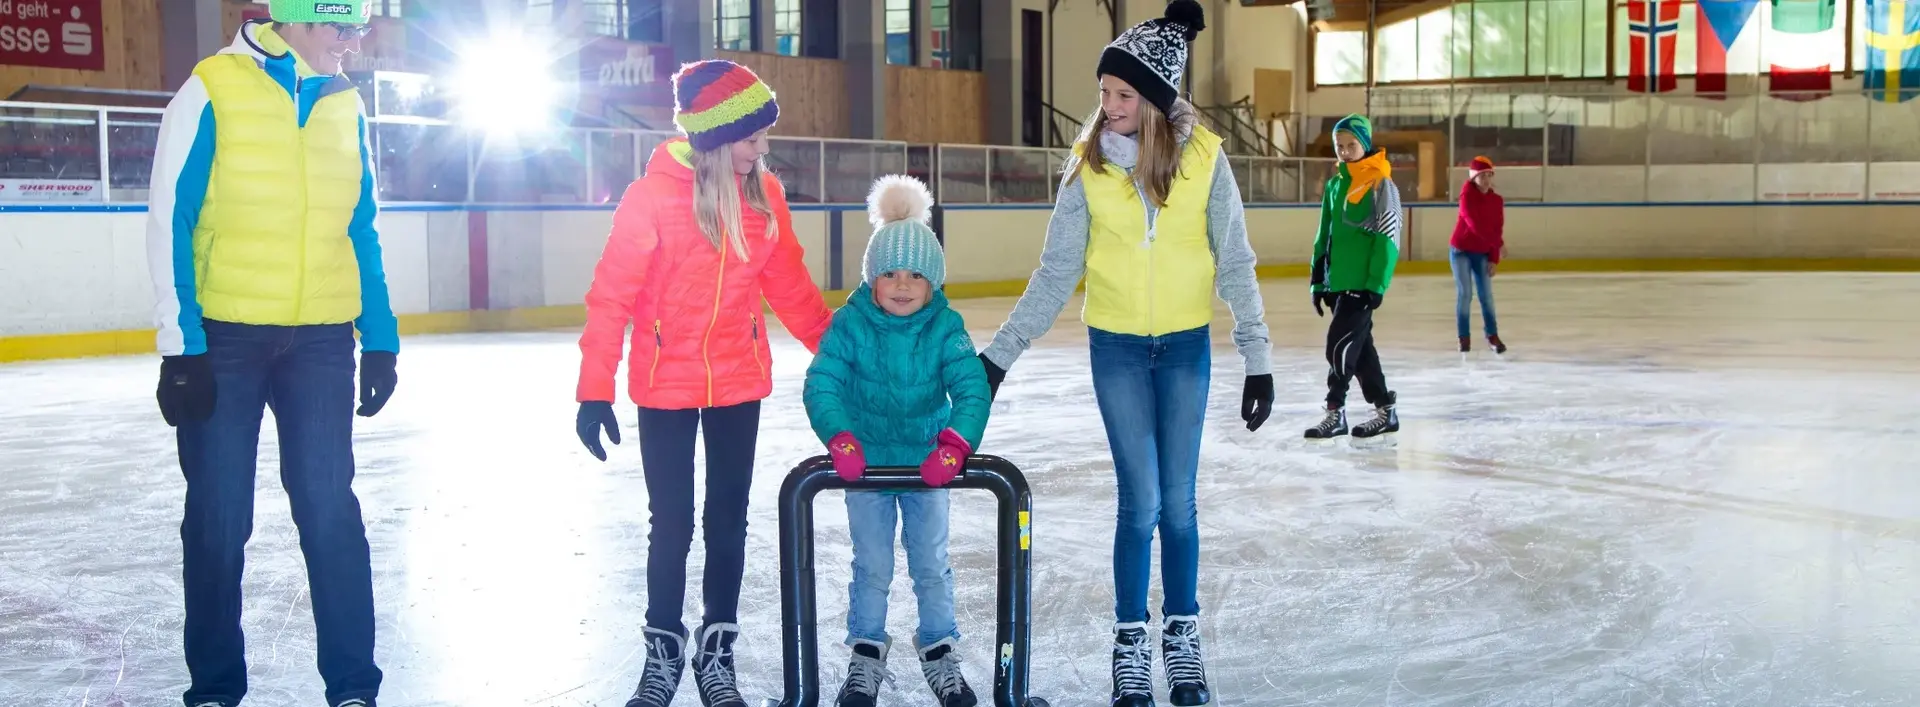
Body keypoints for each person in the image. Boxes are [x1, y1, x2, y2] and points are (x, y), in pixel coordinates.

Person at [976, 1, 1271, 704]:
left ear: (1157, 102)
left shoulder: (1204, 160)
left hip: (1185, 348)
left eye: (1122, 95)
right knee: (1140, 501)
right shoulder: (1089, 168)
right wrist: (999, 356)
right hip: (1115, 350)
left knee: (1180, 504)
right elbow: (1054, 273)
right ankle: (1131, 640)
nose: (1106, 106)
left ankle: (1183, 635)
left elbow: (1235, 259)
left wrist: (1257, 356)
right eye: (1104, 92)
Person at [146, 3, 392, 706]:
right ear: (292, 20)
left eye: (357, 31)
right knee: (219, 516)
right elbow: (172, 215)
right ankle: (217, 687)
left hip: (319, 341)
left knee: (329, 510)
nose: (351, 44)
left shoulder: (346, 105)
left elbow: (361, 225)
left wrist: (378, 337)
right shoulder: (213, 88)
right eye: (340, 28)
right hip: (224, 337)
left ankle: (353, 685)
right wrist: (180, 345)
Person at [573, 60, 833, 707]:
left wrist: (843, 356)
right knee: (672, 522)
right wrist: (593, 387)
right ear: (717, 137)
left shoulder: (762, 197)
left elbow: (792, 289)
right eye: (752, 138)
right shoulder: (652, 197)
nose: (762, 149)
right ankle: (663, 652)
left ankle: (716, 652)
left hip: (737, 380)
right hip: (664, 384)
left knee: (727, 520)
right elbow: (610, 297)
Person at [802, 176, 992, 707]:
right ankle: (865, 651)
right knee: (872, 564)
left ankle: (938, 649)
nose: (902, 285)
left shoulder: (945, 327)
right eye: (889, 274)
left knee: (931, 562)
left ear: (933, 282)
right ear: (872, 278)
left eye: (915, 275)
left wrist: (955, 444)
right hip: (865, 468)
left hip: (928, 465)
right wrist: (839, 438)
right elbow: (822, 382)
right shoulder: (850, 324)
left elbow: (971, 386)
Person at [1305, 114, 1403, 440]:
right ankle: (1386, 411)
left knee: (1339, 346)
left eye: (1352, 145)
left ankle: (1335, 412)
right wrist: (1319, 279)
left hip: (1362, 286)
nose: (1345, 152)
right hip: (1339, 283)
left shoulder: (1381, 185)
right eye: (1340, 146)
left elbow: (1388, 237)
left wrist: (1376, 284)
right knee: (1361, 353)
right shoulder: (1335, 184)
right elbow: (1325, 233)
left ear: (1365, 144)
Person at [1451, 156, 1508, 354]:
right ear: (1473, 178)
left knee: (1486, 296)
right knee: (1465, 294)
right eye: (1481, 175)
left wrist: (1494, 258)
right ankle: (1463, 338)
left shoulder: (1496, 201)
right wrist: (1498, 244)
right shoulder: (1466, 197)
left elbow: (1496, 228)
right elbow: (1474, 224)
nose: (1485, 179)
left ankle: (1492, 335)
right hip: (1461, 251)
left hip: (1482, 253)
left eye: (1488, 175)